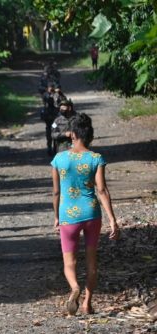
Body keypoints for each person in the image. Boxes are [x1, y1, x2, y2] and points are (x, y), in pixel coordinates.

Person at [51, 113, 119, 315]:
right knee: (92, 261)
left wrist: (56, 216)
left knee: (69, 261)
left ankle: (74, 288)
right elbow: (102, 190)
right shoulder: (96, 158)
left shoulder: (59, 159)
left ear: (72, 134)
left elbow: (56, 192)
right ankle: (87, 304)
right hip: (91, 213)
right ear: (90, 134)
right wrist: (112, 220)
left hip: (68, 215)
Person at [42, 82, 59, 156]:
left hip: (54, 121)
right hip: (48, 120)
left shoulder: (56, 95)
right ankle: (49, 147)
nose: (51, 89)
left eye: (52, 87)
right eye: (49, 87)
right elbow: (45, 100)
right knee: (49, 134)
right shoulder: (46, 95)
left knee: (55, 132)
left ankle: (55, 148)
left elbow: (61, 100)